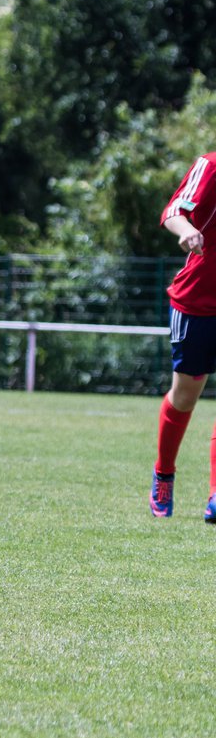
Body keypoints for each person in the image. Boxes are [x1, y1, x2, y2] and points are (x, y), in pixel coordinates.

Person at [149, 150, 216, 521]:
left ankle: (215, 496)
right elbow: (173, 211)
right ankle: (163, 473)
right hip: (197, 302)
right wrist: (187, 229)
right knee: (186, 395)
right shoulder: (211, 165)